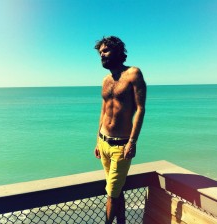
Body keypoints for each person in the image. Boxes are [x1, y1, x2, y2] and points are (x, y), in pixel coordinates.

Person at [94, 36, 146, 224]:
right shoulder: (105, 80)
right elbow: (103, 110)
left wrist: (132, 142)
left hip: (121, 147)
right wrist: (97, 140)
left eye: (106, 51)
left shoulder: (133, 74)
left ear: (118, 51)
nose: (102, 55)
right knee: (116, 190)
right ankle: (122, 222)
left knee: (111, 194)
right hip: (104, 142)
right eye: (100, 52)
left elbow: (140, 108)